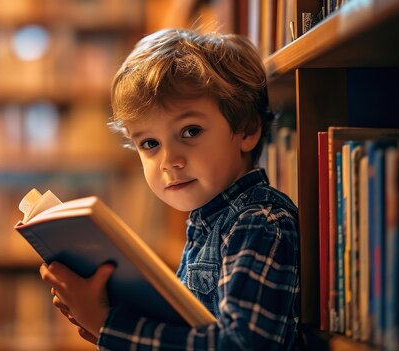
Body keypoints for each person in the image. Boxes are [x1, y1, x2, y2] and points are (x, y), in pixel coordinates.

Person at [39, 28, 300, 350]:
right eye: (149, 143)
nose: (169, 160)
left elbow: (243, 345)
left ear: (246, 130)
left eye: (190, 131)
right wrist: (101, 315)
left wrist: (108, 325)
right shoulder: (210, 219)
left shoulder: (259, 222)